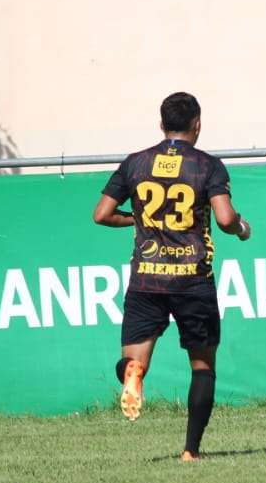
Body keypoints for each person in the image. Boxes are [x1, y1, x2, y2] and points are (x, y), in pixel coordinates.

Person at [91, 92, 253, 461]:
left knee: (134, 359)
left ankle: (133, 372)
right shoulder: (207, 165)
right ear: (198, 124)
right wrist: (242, 227)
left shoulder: (135, 163)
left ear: (161, 124)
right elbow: (225, 219)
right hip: (192, 279)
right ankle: (191, 450)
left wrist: (139, 219)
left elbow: (101, 214)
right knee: (202, 366)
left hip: (146, 278)